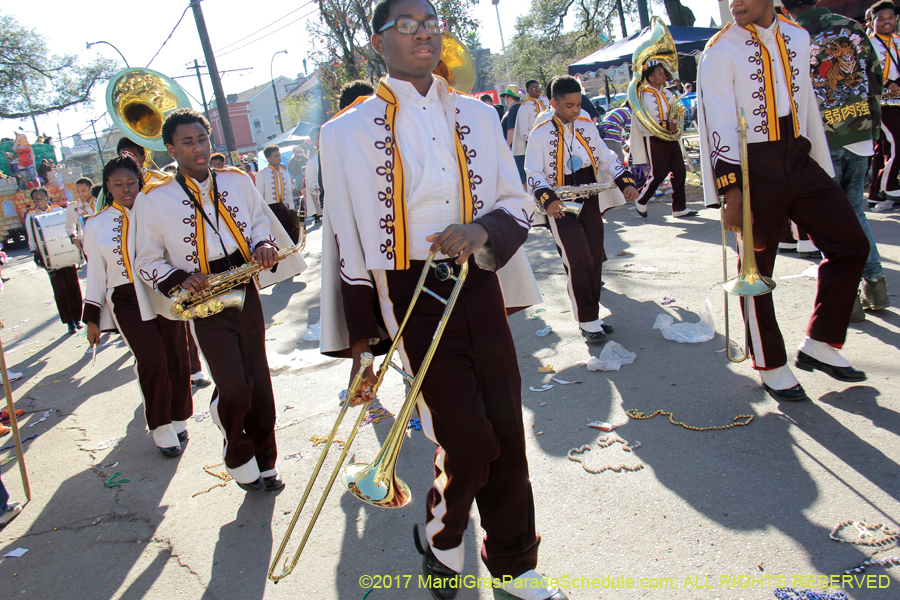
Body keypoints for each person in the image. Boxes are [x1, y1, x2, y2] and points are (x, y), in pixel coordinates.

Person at [319, 1, 562, 598]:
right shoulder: (342, 132)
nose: (423, 33)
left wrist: (482, 231)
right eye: (406, 25)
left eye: (431, 23)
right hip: (406, 294)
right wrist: (361, 342)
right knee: (469, 438)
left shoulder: (479, 116)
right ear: (378, 43)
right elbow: (343, 238)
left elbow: (514, 201)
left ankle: (513, 563)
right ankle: (444, 531)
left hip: (476, 281)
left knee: (505, 427)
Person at [698, 0, 870, 403]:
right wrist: (731, 190)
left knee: (851, 245)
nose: (734, 3)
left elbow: (806, 103)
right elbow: (718, 121)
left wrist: (816, 162)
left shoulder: (797, 35)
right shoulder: (719, 50)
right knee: (755, 272)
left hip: (798, 155)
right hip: (752, 167)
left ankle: (821, 343)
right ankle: (770, 364)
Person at [133, 108, 307, 491]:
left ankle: (266, 460)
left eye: (202, 139)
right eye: (187, 142)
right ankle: (236, 449)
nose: (197, 148)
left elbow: (260, 219)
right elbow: (145, 259)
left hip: (243, 284)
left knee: (258, 381)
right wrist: (180, 277)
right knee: (233, 385)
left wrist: (263, 243)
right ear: (170, 149)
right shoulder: (154, 198)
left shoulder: (237, 180)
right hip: (203, 294)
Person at [783, 0, 890, 316]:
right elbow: (875, 76)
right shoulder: (851, 26)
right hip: (858, 130)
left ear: (783, 6)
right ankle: (875, 280)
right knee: (855, 209)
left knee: (829, 220)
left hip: (820, 139)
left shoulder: (790, 35)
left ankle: (849, 295)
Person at [83, 153, 193, 457]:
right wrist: (92, 318)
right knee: (152, 358)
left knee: (176, 355)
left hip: (161, 290)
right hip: (126, 299)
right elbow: (94, 272)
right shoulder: (96, 225)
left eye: (131, 182)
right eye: (118, 184)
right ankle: (159, 425)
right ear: (108, 186)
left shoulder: (156, 210)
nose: (126, 189)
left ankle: (178, 415)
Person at [525, 76, 638, 343]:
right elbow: (533, 171)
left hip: (589, 198)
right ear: (553, 103)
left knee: (595, 256)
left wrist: (626, 182)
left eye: (578, 105)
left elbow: (606, 157)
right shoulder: (539, 133)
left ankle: (593, 315)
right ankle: (587, 320)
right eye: (569, 106)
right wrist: (548, 198)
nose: (575, 111)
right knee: (578, 258)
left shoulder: (586, 124)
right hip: (560, 204)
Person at [116, 136, 212, 387]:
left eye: (132, 154)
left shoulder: (163, 183)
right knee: (152, 337)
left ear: (143, 156)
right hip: (139, 270)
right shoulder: (116, 187)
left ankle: (193, 369)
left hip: (173, 267)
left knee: (184, 323)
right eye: (123, 154)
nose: (128, 159)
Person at [631, 62, 694, 218]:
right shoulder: (642, 95)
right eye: (659, 73)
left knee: (679, 170)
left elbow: (674, 112)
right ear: (650, 77)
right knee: (659, 173)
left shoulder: (667, 93)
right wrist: (665, 125)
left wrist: (676, 123)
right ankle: (641, 198)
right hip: (654, 137)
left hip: (671, 137)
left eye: (663, 73)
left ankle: (679, 207)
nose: (663, 75)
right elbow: (641, 120)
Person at [26, 188, 83, 334]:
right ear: (33, 201)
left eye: (42, 197)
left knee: (73, 286)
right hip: (49, 257)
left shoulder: (59, 211)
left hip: (66, 254)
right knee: (60, 289)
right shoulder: (31, 217)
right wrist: (35, 253)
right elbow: (32, 236)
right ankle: (69, 321)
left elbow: (70, 227)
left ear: (47, 197)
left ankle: (78, 318)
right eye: (36, 198)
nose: (39, 200)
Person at [868, 1, 900, 212]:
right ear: (872, 22)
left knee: (884, 149)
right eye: (881, 19)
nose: (887, 22)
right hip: (880, 103)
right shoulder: (867, 43)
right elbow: (868, 71)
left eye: (890, 17)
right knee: (898, 143)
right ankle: (891, 188)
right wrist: (889, 84)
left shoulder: (897, 40)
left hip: (898, 102)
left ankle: (875, 196)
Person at [256, 145, 302, 244]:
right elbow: (259, 196)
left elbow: (289, 194)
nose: (278, 158)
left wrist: (292, 210)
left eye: (279, 155)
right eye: (275, 156)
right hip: (270, 209)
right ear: (268, 158)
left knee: (289, 234)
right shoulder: (262, 174)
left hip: (283, 208)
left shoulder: (284, 173)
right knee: (276, 237)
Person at [512, 80, 551, 183]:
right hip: (536, 146)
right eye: (533, 88)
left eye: (538, 87)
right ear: (527, 91)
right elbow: (523, 132)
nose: (537, 90)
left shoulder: (546, 100)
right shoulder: (525, 107)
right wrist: (537, 138)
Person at [66, 177, 94, 252]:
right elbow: (69, 226)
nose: (80, 194)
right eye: (78, 191)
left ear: (90, 189)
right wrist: (74, 239)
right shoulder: (73, 207)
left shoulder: (100, 203)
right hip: (88, 247)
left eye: (83, 191)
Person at [303, 126, 322, 224]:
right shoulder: (312, 162)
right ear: (313, 141)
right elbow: (312, 187)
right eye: (318, 137)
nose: (322, 138)